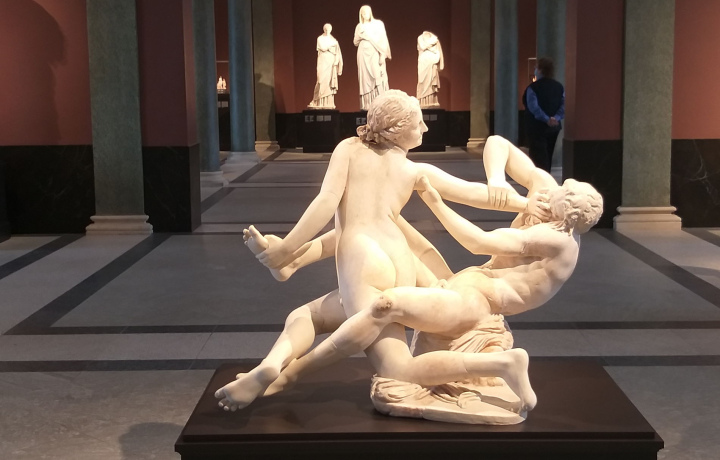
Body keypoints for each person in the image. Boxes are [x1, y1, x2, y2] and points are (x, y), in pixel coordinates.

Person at [214, 92, 545, 412]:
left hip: (363, 260)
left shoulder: (348, 149)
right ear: (398, 130)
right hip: (401, 258)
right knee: (308, 315)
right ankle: (271, 365)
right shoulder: (414, 171)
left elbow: (326, 202)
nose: (425, 128)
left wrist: (287, 247)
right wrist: (526, 202)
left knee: (397, 369)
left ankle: (501, 364)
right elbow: (475, 193)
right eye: (418, 123)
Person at [248, 135, 602, 405]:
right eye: (561, 186)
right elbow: (498, 143)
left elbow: (477, 242)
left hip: (475, 304)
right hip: (461, 284)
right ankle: (295, 261)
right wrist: (497, 179)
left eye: (562, 194)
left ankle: (292, 374)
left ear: (565, 217)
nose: (553, 191)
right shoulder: (548, 195)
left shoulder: (556, 239)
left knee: (385, 306)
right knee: (378, 221)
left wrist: (435, 203)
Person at [522, 57, 565, 172]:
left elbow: (533, 107)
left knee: (538, 158)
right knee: (548, 155)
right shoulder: (559, 87)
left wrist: (546, 119)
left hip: (536, 127)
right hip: (554, 128)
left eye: (536, 67)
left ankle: (539, 178)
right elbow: (563, 105)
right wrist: (555, 118)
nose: (535, 70)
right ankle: (547, 176)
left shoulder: (533, 87)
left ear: (540, 70)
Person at [354, 5, 391, 110]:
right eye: (363, 13)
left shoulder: (378, 24)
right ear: (361, 14)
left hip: (374, 52)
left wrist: (382, 55)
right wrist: (362, 36)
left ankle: (380, 102)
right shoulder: (359, 26)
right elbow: (355, 42)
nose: (365, 14)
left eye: (366, 12)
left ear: (370, 12)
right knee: (365, 79)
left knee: (377, 75)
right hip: (362, 53)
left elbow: (383, 40)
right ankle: (367, 104)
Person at [308, 23, 343, 110]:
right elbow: (323, 48)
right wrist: (331, 45)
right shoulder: (320, 38)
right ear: (324, 29)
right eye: (326, 29)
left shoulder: (333, 40)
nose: (327, 31)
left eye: (329, 29)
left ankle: (328, 102)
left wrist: (337, 62)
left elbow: (338, 52)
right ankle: (317, 100)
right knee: (320, 80)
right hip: (322, 60)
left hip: (330, 61)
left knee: (328, 82)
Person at [416, 31, 444, 108]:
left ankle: (432, 101)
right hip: (423, 62)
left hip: (431, 61)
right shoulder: (420, 38)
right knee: (422, 81)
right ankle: (422, 101)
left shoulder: (435, 39)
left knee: (431, 82)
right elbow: (422, 47)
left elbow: (438, 52)